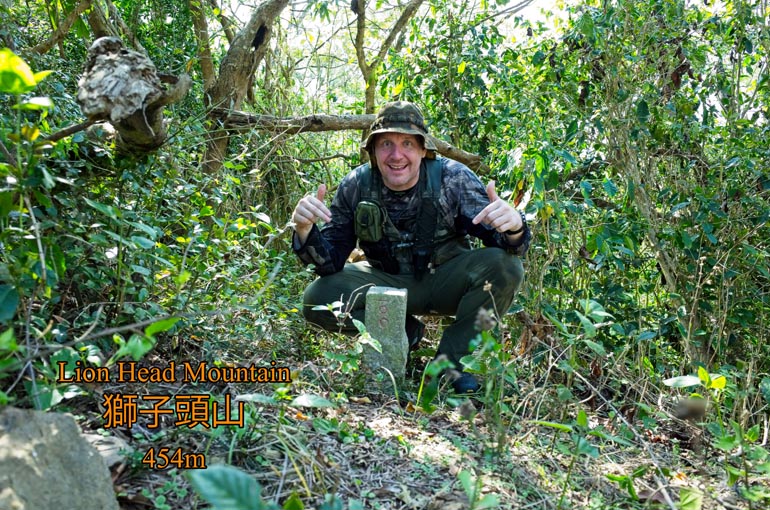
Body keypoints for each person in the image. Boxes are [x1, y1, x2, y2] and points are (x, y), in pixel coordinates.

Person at [291, 101, 531, 393]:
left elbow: (508, 246)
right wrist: (305, 231)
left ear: (422, 150)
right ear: (373, 152)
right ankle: (404, 331)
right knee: (316, 297)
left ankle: (448, 365)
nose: (396, 155)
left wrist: (515, 226)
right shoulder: (356, 185)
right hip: (386, 283)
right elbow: (330, 262)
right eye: (386, 144)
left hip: (446, 280)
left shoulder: (453, 178)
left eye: (407, 143)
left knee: (506, 266)